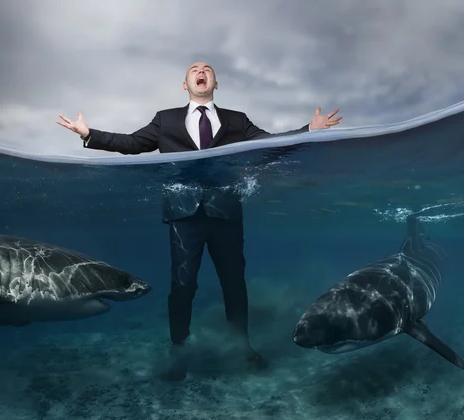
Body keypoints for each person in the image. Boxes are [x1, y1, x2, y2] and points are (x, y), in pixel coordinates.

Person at [57, 61, 342, 381]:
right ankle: (178, 348)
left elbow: (268, 146)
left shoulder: (237, 121)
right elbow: (133, 144)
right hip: (184, 215)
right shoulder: (165, 120)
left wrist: (308, 131)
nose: (201, 71)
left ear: (215, 83)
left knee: (234, 285)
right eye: (194, 69)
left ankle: (242, 347)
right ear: (185, 83)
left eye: (207, 69)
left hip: (226, 214)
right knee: (182, 286)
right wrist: (89, 134)